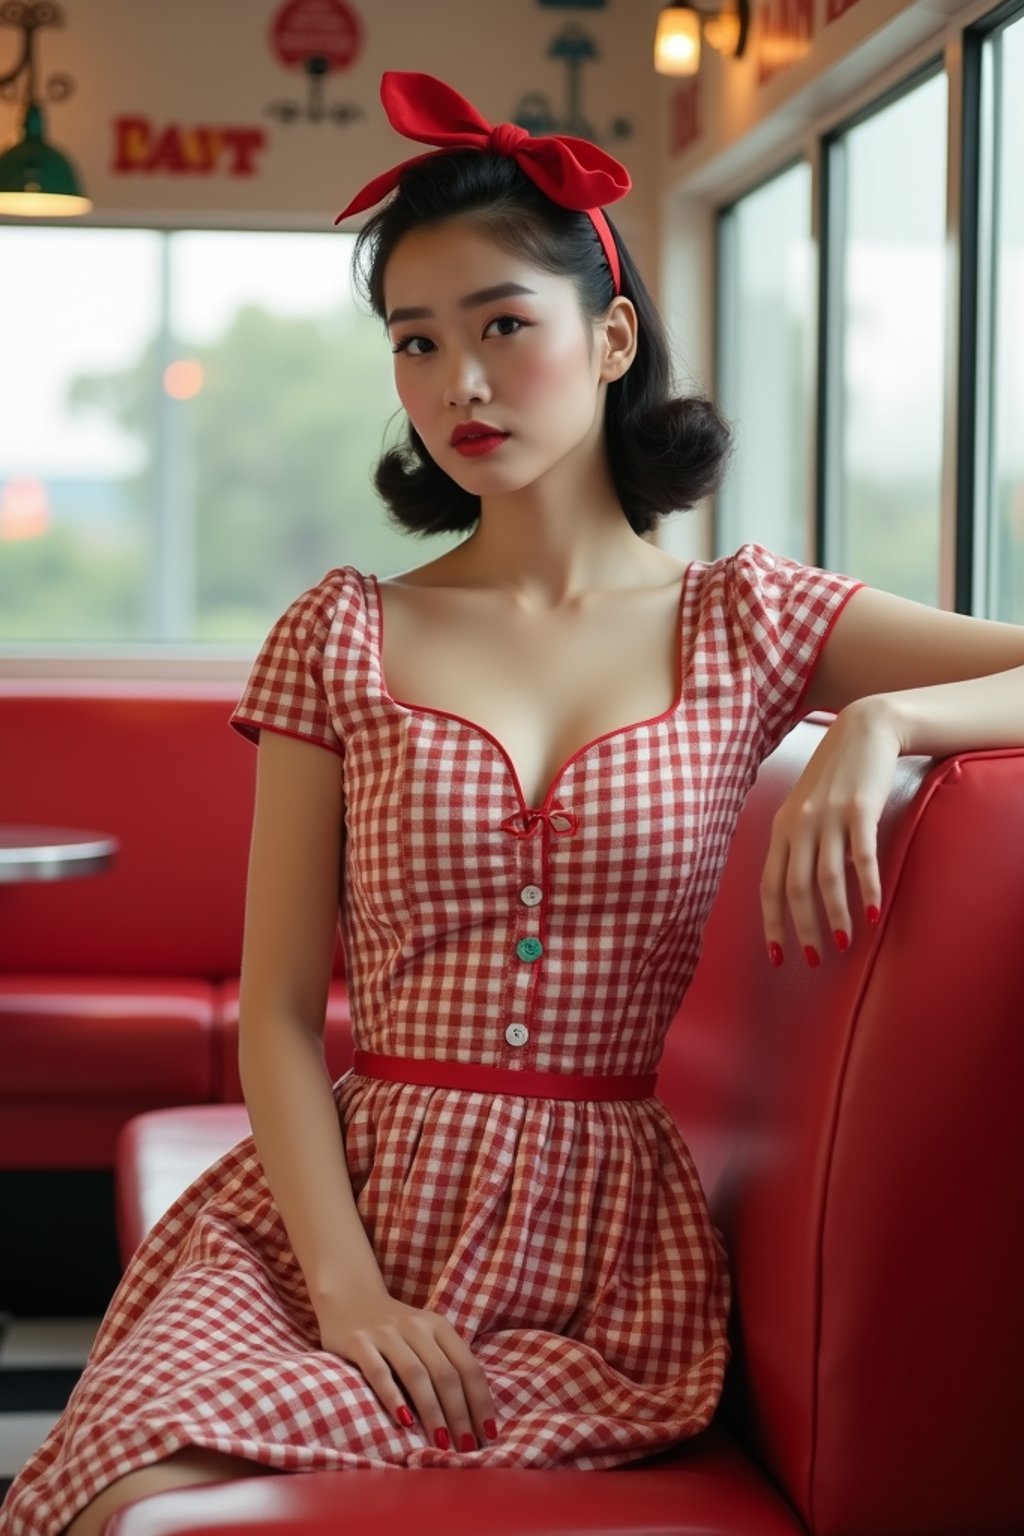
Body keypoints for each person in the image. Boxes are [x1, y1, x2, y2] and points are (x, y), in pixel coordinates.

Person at [5, 68, 1024, 1536]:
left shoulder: (747, 623)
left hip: (600, 1259)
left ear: (610, 339)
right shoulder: (340, 629)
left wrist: (893, 715)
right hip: (329, 1231)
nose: (458, 386)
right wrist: (348, 1287)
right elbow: (284, 1013)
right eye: (417, 343)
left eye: (502, 326)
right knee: (126, 1497)